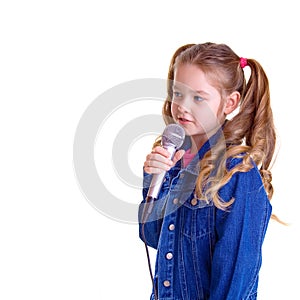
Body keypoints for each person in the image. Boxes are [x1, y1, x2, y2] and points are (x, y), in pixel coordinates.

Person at [138, 42, 279, 300]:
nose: (182, 106)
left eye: (198, 97)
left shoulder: (237, 175)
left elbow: (234, 283)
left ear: (229, 102)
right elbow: (152, 236)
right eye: (178, 93)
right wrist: (152, 180)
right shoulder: (174, 162)